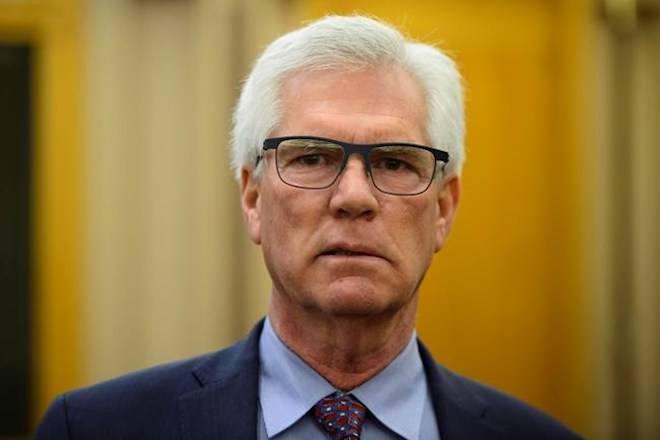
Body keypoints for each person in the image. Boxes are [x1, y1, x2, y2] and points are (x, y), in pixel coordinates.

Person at [36, 15, 581, 440]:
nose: (353, 197)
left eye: (394, 162)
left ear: (443, 208)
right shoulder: (92, 430)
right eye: (313, 158)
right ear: (252, 198)